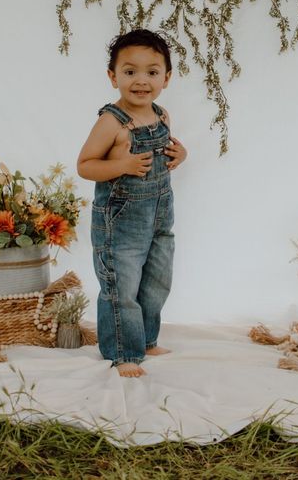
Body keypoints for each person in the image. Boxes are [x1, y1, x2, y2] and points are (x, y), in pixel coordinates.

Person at [77, 29, 187, 377]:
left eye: (152, 72)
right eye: (130, 72)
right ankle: (124, 352)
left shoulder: (161, 114)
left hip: (159, 216)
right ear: (113, 76)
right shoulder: (111, 122)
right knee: (121, 286)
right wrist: (122, 165)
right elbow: (85, 166)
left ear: (166, 78)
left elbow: (168, 149)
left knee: (156, 281)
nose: (141, 81)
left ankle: (147, 339)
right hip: (120, 221)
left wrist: (180, 154)